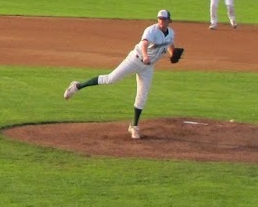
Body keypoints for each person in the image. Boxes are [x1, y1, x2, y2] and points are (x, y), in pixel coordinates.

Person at [62, 9, 179, 140]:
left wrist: (172, 54)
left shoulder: (171, 33)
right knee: (110, 79)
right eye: (160, 19)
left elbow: (169, 44)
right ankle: (77, 86)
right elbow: (144, 44)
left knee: (143, 95)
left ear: (169, 21)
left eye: (164, 19)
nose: (161, 21)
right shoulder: (151, 30)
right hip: (135, 60)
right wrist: (145, 57)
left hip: (148, 68)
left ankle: (134, 126)